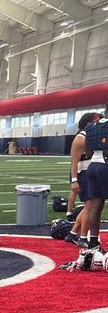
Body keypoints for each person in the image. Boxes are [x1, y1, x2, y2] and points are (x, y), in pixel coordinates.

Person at [64, 111, 102, 244]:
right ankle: (83, 237)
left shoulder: (90, 135)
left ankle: (73, 233)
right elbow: (74, 161)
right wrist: (74, 181)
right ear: (89, 123)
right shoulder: (80, 138)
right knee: (90, 207)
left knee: (89, 207)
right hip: (82, 174)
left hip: (88, 172)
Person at [80, 104, 108, 256]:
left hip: (92, 167)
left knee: (95, 206)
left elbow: (88, 152)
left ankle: (93, 245)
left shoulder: (91, 127)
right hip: (106, 166)